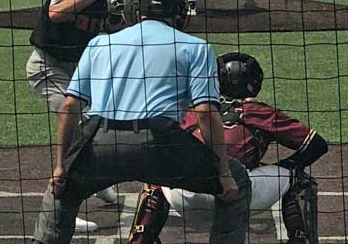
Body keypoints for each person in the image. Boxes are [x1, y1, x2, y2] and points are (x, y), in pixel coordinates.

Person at [32, 0, 251, 244]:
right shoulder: (196, 47)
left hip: (100, 145)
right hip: (161, 146)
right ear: (178, 17)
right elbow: (204, 111)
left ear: (138, 15)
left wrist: (61, 167)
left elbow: (69, 107)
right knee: (237, 179)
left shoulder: (100, 43)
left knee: (61, 192)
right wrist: (223, 172)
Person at [127, 52, 328, 244]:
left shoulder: (193, 108)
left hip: (186, 197)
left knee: (156, 179)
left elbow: (161, 144)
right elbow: (316, 144)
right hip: (238, 195)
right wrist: (284, 166)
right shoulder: (258, 111)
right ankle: (301, 239)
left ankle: (140, 239)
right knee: (301, 179)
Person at [26, 0, 134, 232]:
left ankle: (96, 182)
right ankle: (63, 208)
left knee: (100, 120)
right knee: (79, 123)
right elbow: (56, 13)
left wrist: (115, 14)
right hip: (47, 66)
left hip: (77, 71)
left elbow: (113, 33)